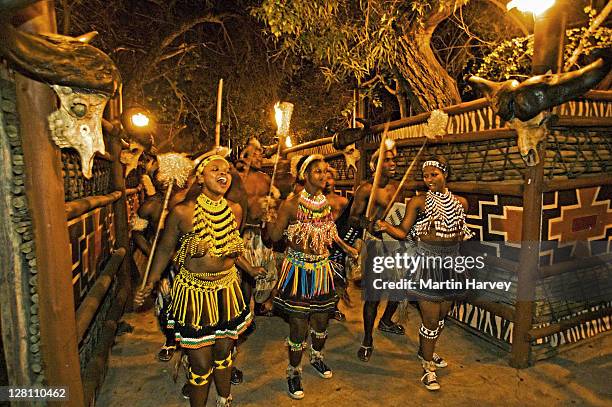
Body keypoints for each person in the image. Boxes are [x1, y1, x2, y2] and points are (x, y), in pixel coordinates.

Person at [139, 152, 252, 407]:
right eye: (215, 169)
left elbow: (233, 247)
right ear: (200, 177)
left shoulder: (234, 210)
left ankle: (224, 400)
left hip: (227, 290)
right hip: (194, 294)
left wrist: (251, 269)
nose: (223, 174)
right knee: (201, 364)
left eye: (227, 171)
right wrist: (151, 281)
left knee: (224, 354)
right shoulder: (182, 212)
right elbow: (166, 250)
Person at [376, 156, 473, 391]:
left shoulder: (462, 203)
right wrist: (386, 226)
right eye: (425, 176)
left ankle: (426, 350)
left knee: (440, 318)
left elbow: (460, 234)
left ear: (445, 174)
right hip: (426, 266)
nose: (429, 179)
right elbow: (402, 232)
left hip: (450, 266)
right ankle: (428, 367)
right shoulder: (418, 202)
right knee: (430, 320)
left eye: (434, 174)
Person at [266, 154, 358, 400]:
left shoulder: (325, 204)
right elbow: (275, 238)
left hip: (322, 269)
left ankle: (317, 357)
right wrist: (270, 218)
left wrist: (348, 248)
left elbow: (331, 233)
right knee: (299, 326)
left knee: (320, 322)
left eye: (325, 171)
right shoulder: (291, 204)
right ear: (304, 175)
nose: (323, 175)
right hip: (298, 270)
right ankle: (293, 371)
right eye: (317, 171)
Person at [350, 140, 405, 362]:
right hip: (375, 244)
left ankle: (386, 320)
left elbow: (401, 215)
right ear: (375, 165)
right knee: (373, 296)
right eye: (387, 160)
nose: (393, 163)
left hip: (395, 244)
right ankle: (367, 338)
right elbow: (353, 217)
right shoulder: (365, 189)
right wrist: (368, 224)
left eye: (394, 159)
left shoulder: (397, 187)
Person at [236, 137, 278, 316]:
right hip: (242, 230)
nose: (259, 159)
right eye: (254, 155)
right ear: (245, 156)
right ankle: (244, 309)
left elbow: (272, 204)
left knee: (264, 269)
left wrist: (269, 206)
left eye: (261, 156)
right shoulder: (237, 178)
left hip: (261, 231)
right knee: (246, 274)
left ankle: (261, 303)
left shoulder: (266, 179)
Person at [324, 166, 351, 321]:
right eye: (324, 178)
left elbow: (348, 224)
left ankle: (334, 308)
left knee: (338, 279)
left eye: (330, 178)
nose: (327, 182)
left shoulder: (343, 201)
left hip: (339, 246)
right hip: (321, 245)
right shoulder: (315, 202)